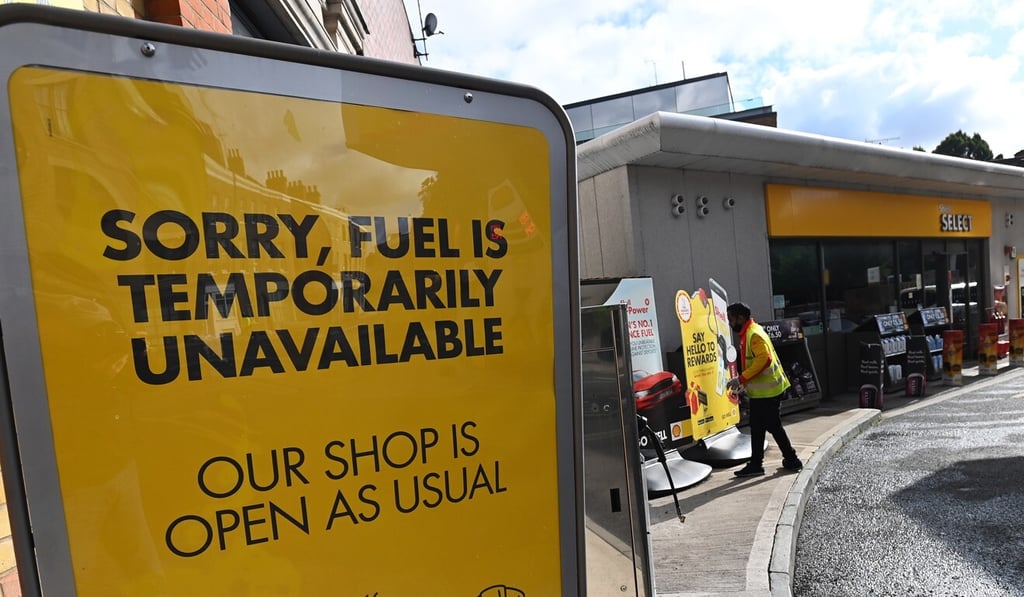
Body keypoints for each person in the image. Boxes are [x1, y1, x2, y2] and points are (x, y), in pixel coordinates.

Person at [725, 302, 803, 477]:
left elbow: (764, 360)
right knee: (758, 427)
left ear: (740, 318)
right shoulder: (750, 332)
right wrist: (743, 383)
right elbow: (756, 362)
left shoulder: (754, 334)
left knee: (772, 426)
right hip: (763, 392)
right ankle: (757, 464)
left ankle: (791, 459)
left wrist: (741, 378)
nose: (729, 322)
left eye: (731, 318)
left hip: (768, 393)